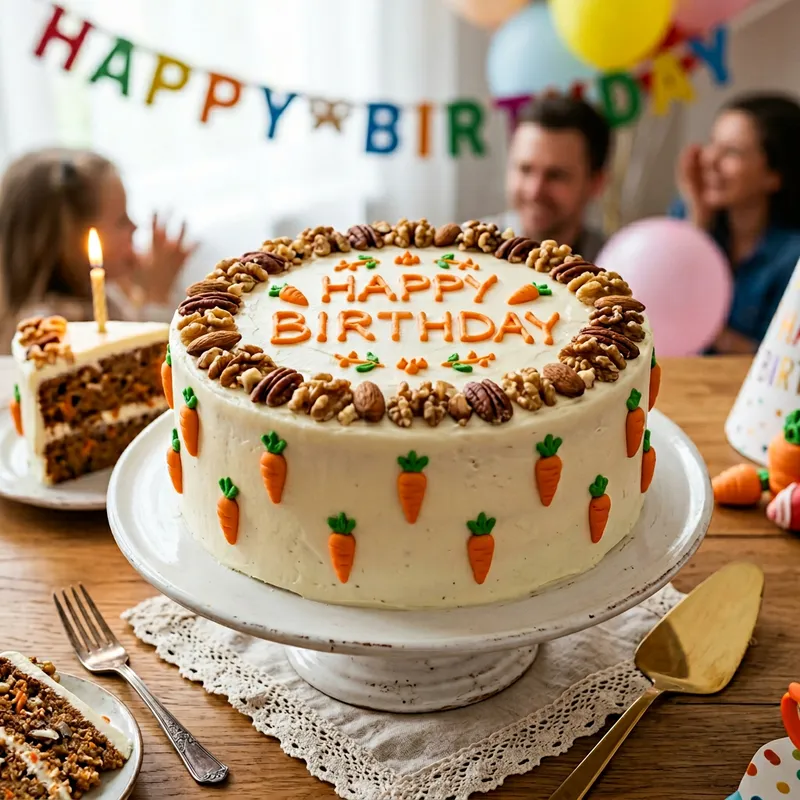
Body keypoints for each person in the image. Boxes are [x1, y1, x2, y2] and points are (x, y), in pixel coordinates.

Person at [0, 147, 196, 347]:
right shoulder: (51, 328)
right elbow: (151, 359)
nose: (134, 226)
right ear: (72, 239)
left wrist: (139, 286)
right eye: (121, 220)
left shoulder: (104, 292)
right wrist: (157, 294)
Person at [673, 93, 800, 354]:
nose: (710, 160)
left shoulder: (792, 255)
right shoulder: (686, 216)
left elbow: (777, 363)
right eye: (712, 143)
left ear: (774, 175)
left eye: (731, 152)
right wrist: (698, 222)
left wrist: (705, 328)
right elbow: (661, 302)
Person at [495, 95, 611, 262]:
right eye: (525, 169)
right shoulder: (462, 256)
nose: (534, 191)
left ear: (596, 183)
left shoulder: (618, 265)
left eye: (556, 175)